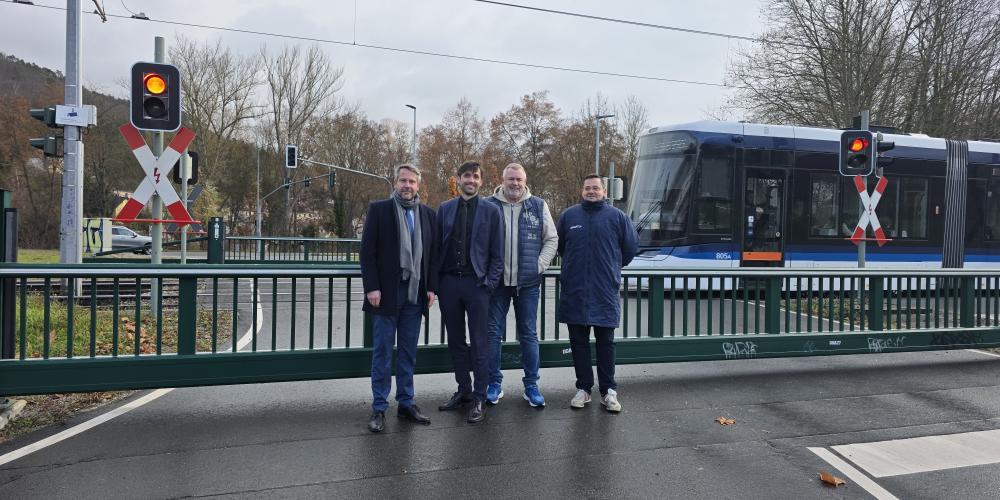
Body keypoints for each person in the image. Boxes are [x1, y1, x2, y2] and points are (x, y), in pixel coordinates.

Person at [360, 164, 438, 433]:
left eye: (412, 182)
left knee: (407, 351)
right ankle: (379, 407)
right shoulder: (379, 210)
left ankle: (406, 402)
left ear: (418, 185)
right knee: (382, 352)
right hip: (385, 293)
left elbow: (433, 254)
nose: (407, 186)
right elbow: (367, 252)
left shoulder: (428, 214)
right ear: (395, 183)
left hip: (415, 294)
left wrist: (432, 288)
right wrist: (372, 287)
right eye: (403, 181)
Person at [557, 174, 638, 413]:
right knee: (578, 342)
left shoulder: (618, 217)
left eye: (596, 188)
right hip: (576, 289)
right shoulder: (569, 216)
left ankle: (608, 391)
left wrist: (612, 266)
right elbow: (561, 246)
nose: (591, 191)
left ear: (604, 191)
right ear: (582, 191)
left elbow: (630, 248)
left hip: (604, 289)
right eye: (587, 188)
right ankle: (583, 389)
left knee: (606, 343)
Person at [435, 161, 504, 423]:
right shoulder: (444, 209)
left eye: (475, 176)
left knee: (479, 342)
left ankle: (479, 396)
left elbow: (498, 254)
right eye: (466, 176)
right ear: (458, 179)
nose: (471, 180)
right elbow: (435, 250)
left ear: (481, 181)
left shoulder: (491, 211)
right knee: (455, 340)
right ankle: (463, 389)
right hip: (450, 284)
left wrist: (488, 284)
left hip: (477, 285)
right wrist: (438, 284)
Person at [485, 163, 558, 407]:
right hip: (497, 284)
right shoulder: (489, 205)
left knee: (528, 334)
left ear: (525, 181)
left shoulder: (537, 205)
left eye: (519, 179)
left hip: (528, 283)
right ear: (503, 180)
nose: (515, 183)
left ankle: (531, 385)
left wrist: (539, 265)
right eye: (511, 179)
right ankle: (494, 382)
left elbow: (551, 238)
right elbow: (478, 241)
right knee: (493, 334)